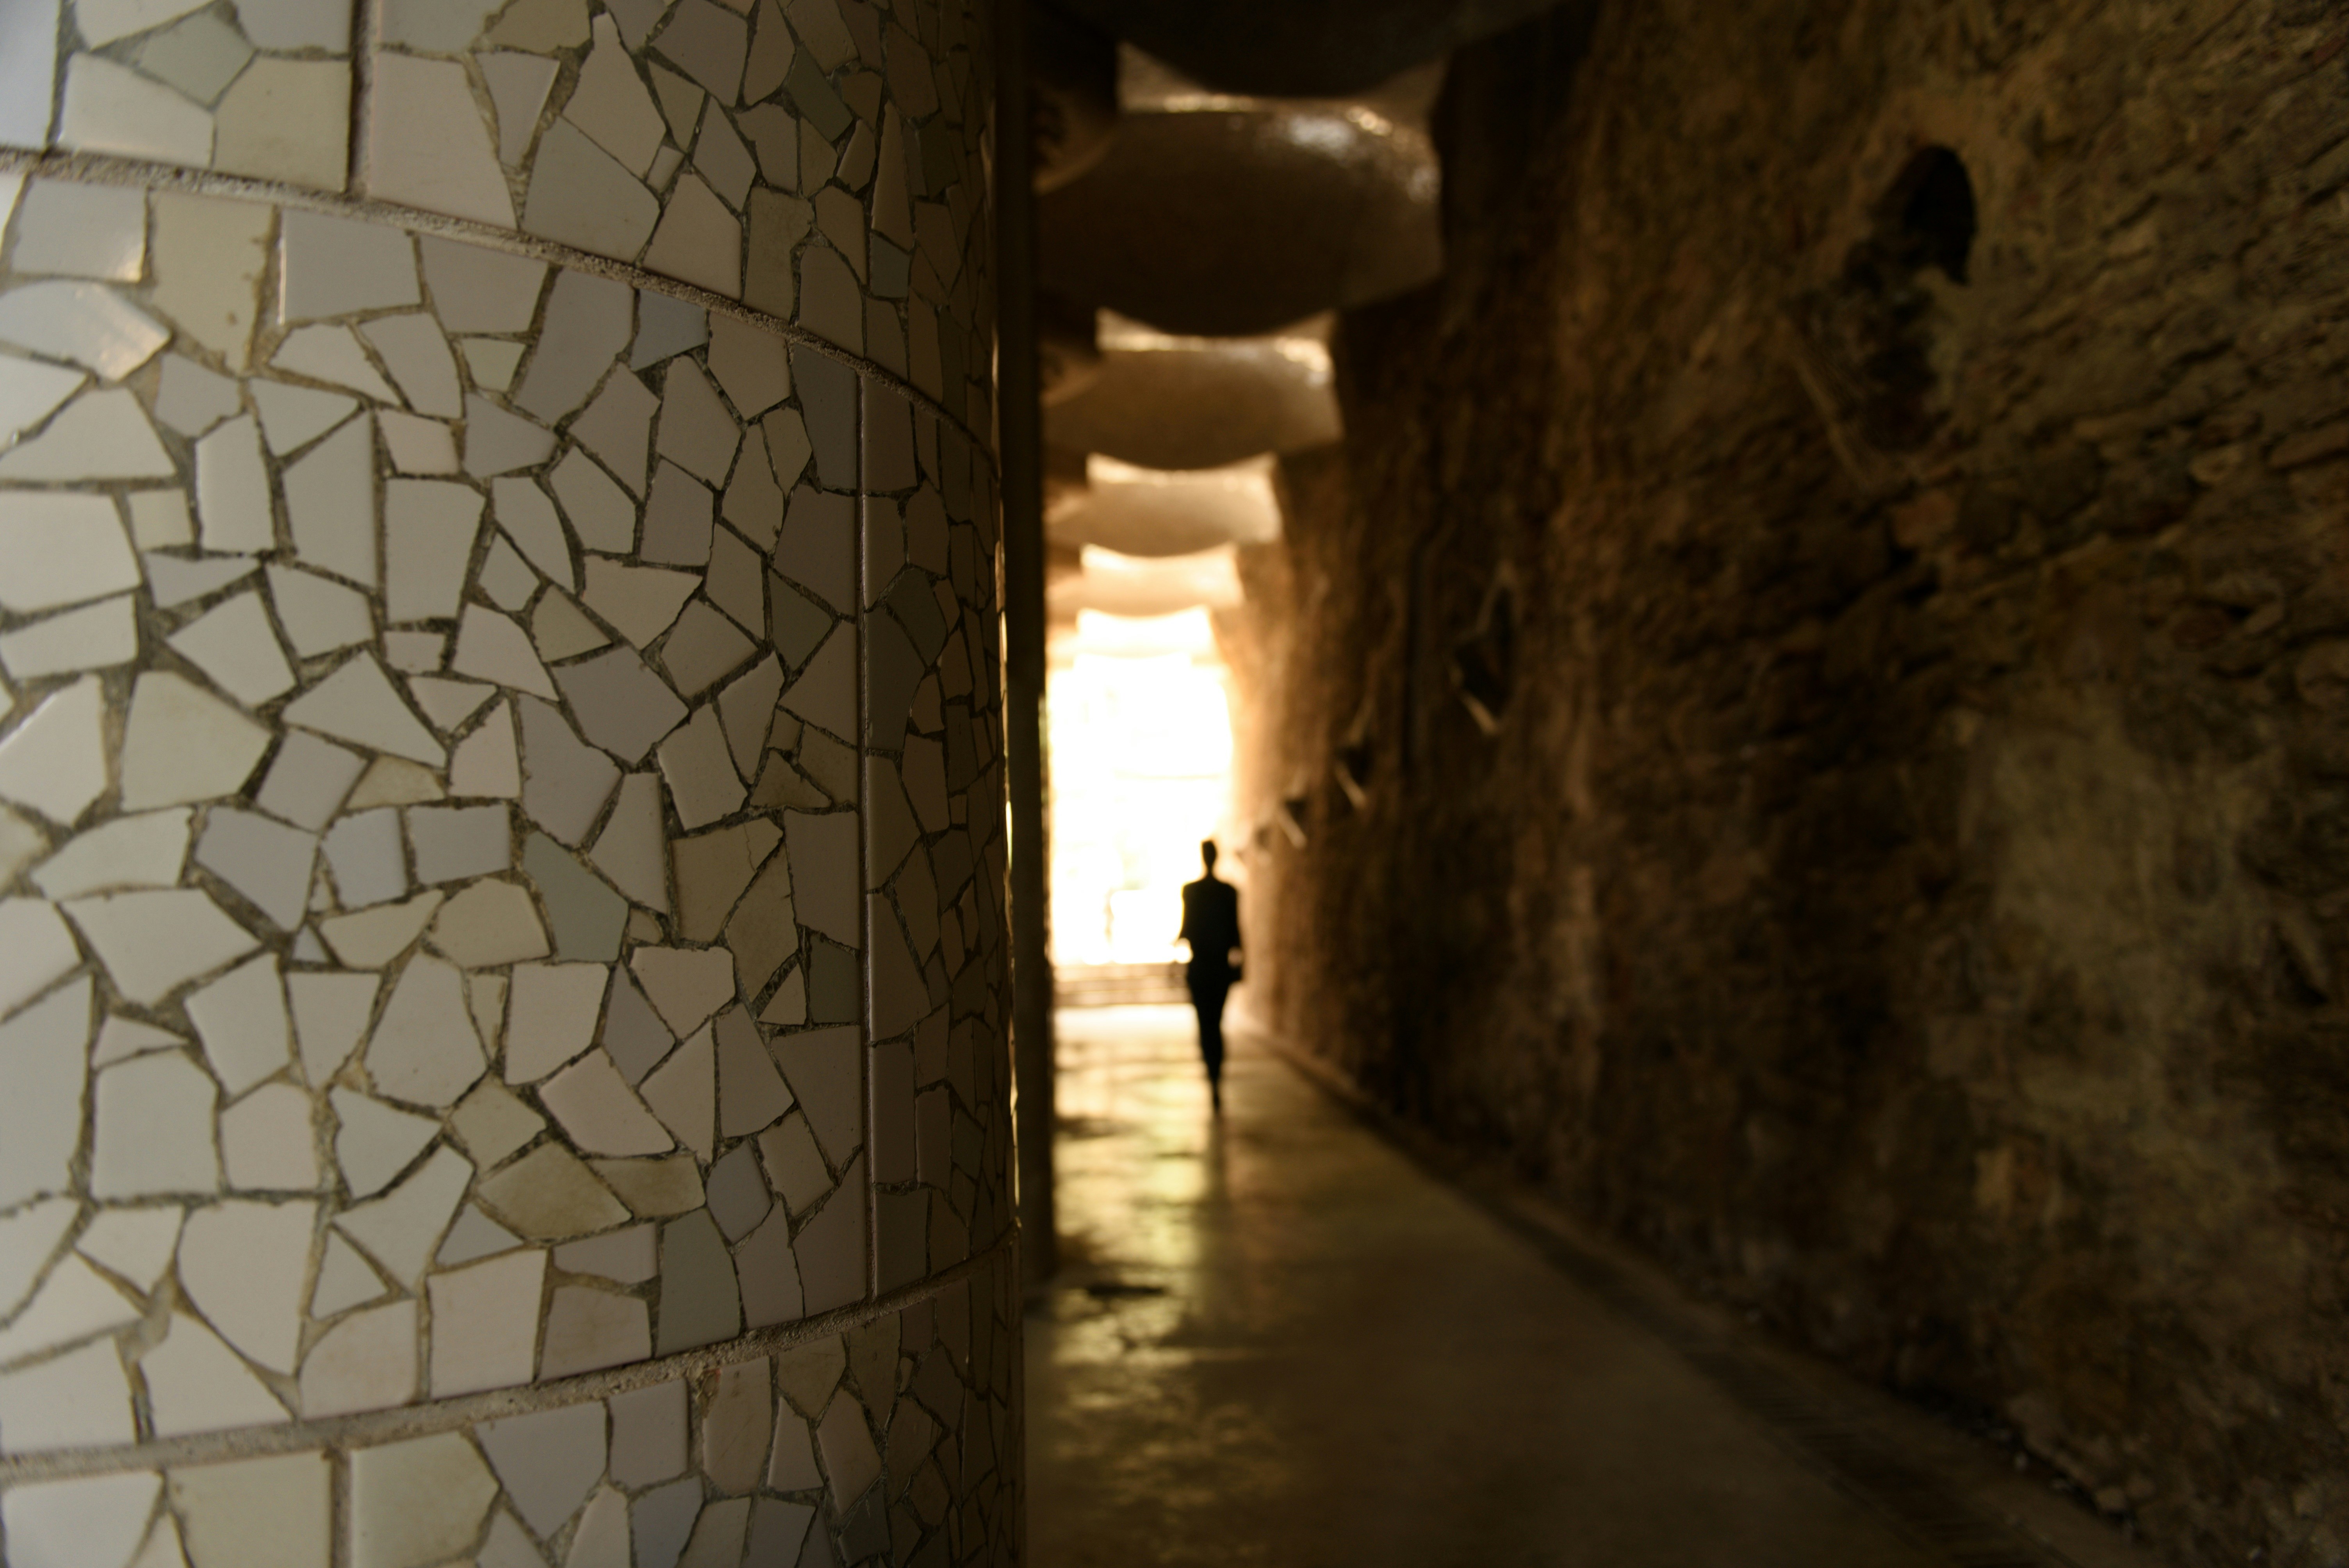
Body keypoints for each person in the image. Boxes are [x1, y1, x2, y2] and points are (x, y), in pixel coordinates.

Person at [1178, 840, 1242, 1112]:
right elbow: (1236, 933)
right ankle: (1215, 1073)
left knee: (1207, 1023)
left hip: (1203, 968)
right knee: (1214, 1022)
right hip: (1217, 968)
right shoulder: (1228, 892)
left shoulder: (1192, 891)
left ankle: (1213, 1071)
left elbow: (1187, 928)